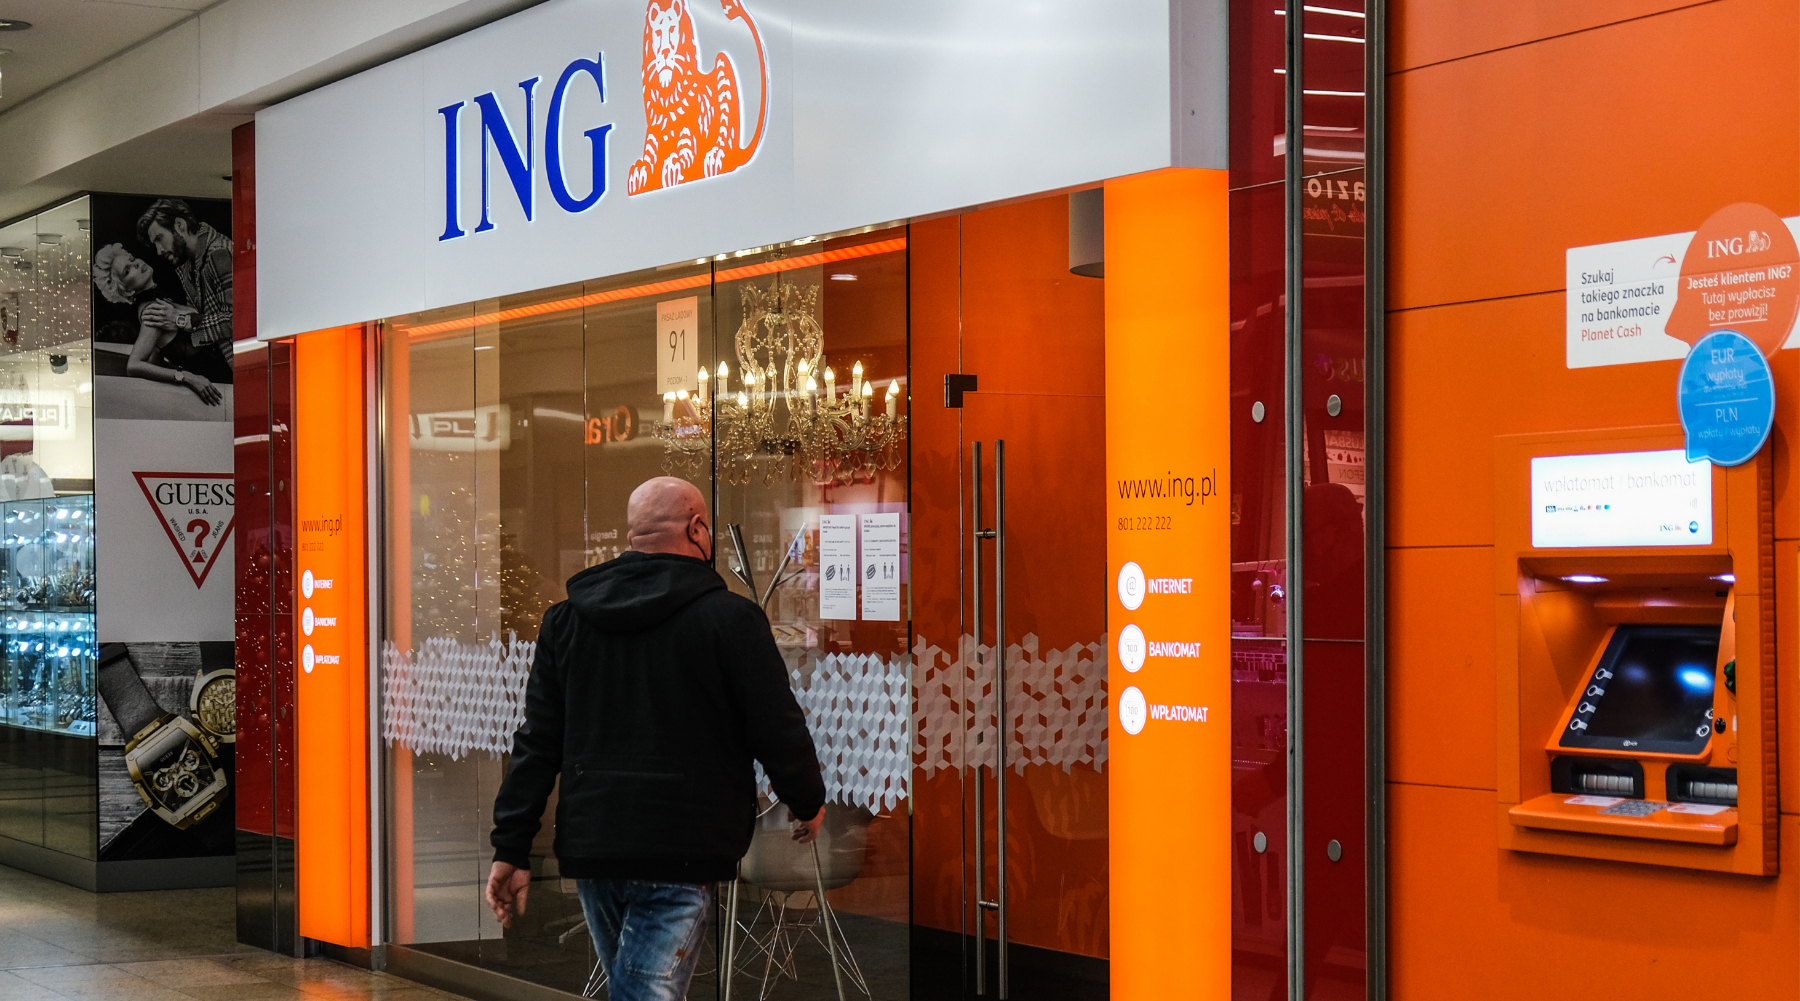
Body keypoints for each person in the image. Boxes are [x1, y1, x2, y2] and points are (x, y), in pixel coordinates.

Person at [486, 476, 825, 1001]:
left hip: (595, 844)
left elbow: (537, 742)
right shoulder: (731, 620)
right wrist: (807, 800)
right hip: (683, 845)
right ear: (697, 529)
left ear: (633, 535)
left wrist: (511, 845)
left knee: (636, 989)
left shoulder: (567, 621)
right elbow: (776, 726)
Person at [91, 244, 226, 405]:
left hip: (223, 380)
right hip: (219, 389)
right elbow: (133, 365)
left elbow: (156, 359)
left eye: (132, 260)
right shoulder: (153, 311)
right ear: (127, 291)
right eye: (127, 271)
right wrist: (187, 377)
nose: (136, 264)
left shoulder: (160, 301)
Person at [137, 199, 233, 376]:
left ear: (180, 225)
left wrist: (180, 319)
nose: (159, 250)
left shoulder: (219, 254)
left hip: (241, 369)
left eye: (160, 239)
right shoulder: (190, 266)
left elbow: (237, 322)